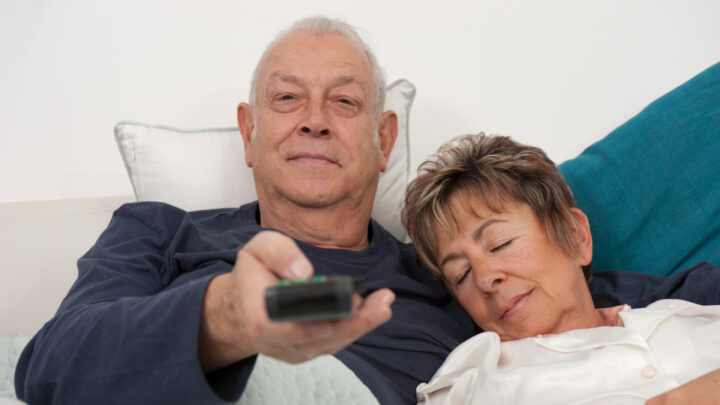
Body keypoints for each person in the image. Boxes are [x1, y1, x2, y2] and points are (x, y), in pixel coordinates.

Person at [13, 17, 718, 405]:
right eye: (287, 98)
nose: (315, 120)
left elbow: (588, 300)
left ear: (385, 139)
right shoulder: (164, 231)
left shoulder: (449, 276)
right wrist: (227, 316)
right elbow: (46, 368)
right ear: (248, 130)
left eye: (344, 101)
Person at [402, 133, 720, 404]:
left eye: (500, 243)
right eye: (462, 275)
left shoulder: (688, 314)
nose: (485, 278)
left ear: (575, 235)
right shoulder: (474, 385)